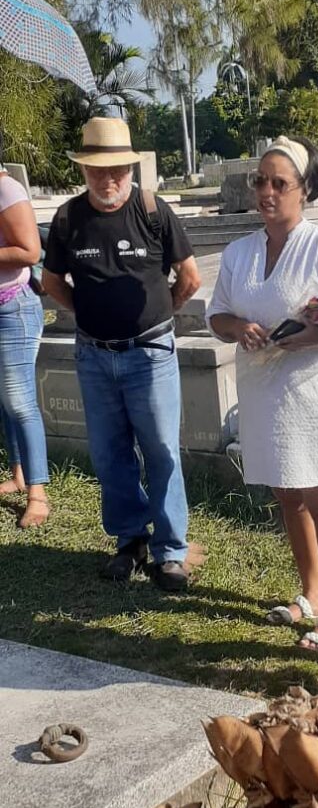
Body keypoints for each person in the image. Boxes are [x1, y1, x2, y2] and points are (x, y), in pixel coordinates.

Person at [207, 135, 318, 654]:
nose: (266, 191)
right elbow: (215, 315)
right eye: (261, 181)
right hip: (264, 392)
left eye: (279, 183)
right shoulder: (239, 252)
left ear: (305, 190)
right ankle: (311, 590)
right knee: (288, 497)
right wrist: (238, 327)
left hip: (313, 391)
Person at [43, 117, 201, 589]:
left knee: (161, 451)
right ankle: (129, 539)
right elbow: (53, 284)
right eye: (98, 171)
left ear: (130, 168)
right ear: (85, 171)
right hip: (94, 357)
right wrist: (91, 318)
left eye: (117, 170)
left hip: (149, 355)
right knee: (110, 455)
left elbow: (189, 276)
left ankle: (171, 551)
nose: (108, 180)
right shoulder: (69, 219)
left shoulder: (153, 210)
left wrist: (156, 317)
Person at [0, 149, 50, 527]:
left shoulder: (7, 190)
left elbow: (30, 251)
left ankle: (38, 493)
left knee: (20, 401)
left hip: (13, 308)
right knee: (4, 400)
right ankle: (18, 474)